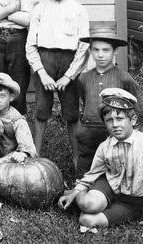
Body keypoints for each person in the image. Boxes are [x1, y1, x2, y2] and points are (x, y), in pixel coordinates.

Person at [26, 0, 90, 162]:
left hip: (69, 62)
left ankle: (77, 159)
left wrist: (69, 76)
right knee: (41, 110)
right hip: (45, 61)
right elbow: (30, 46)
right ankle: (35, 154)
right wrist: (41, 73)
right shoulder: (39, 9)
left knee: (71, 113)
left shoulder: (78, 9)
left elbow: (84, 45)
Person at [59, 89, 143, 229]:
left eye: (120, 119)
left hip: (135, 201)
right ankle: (76, 195)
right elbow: (92, 174)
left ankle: (121, 210)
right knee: (88, 204)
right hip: (112, 185)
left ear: (133, 120)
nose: (115, 125)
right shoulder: (105, 146)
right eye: (109, 120)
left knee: (87, 220)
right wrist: (76, 192)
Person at [75, 27, 143, 177]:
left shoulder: (123, 77)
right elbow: (85, 100)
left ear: (115, 52)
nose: (100, 55)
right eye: (96, 50)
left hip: (113, 129)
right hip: (88, 129)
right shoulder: (83, 78)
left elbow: (137, 105)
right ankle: (80, 189)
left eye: (106, 50)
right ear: (90, 51)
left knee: (114, 163)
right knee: (86, 164)